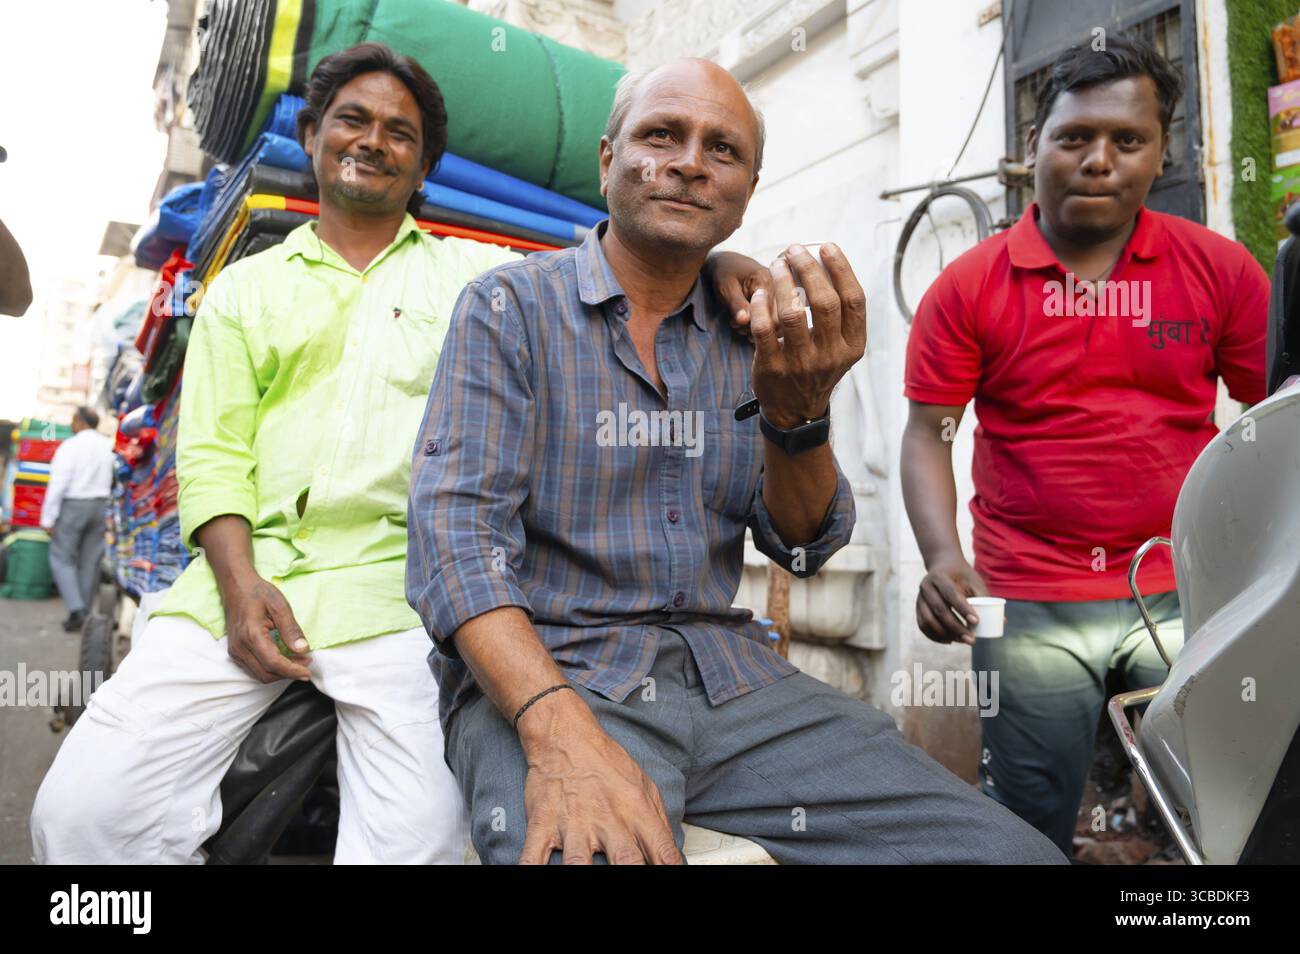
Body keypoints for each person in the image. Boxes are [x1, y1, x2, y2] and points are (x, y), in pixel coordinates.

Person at [408, 57, 1066, 865]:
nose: (689, 161)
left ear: (748, 191)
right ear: (608, 158)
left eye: (722, 150)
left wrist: (800, 416)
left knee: (1014, 857)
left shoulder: (758, 332)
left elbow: (802, 545)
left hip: (731, 681)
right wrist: (559, 732)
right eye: (661, 135)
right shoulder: (511, 308)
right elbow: (455, 548)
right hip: (555, 677)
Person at [900, 33, 1266, 856]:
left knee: (1215, 796)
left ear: (1160, 151)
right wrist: (940, 555)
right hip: (1026, 595)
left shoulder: (1221, 271)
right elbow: (930, 431)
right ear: (1034, 147)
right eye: (1074, 138)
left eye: (1127, 140)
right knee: (1032, 809)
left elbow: (1271, 419)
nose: (1099, 160)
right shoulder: (969, 287)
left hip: (1180, 587)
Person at [40, 406, 113, 631]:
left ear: (79, 421)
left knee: (62, 557)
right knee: (90, 562)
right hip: (100, 505)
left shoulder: (70, 446)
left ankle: (76, 609)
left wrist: (48, 519)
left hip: (74, 504)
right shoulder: (107, 446)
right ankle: (85, 614)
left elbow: (58, 484)